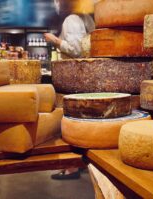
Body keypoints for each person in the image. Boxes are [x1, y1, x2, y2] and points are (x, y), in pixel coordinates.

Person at [45, 0, 95, 180]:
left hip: (75, 77)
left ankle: (72, 167)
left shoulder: (72, 19)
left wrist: (55, 40)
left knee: (69, 121)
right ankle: (81, 162)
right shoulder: (86, 18)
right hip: (86, 77)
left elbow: (77, 50)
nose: (56, 4)